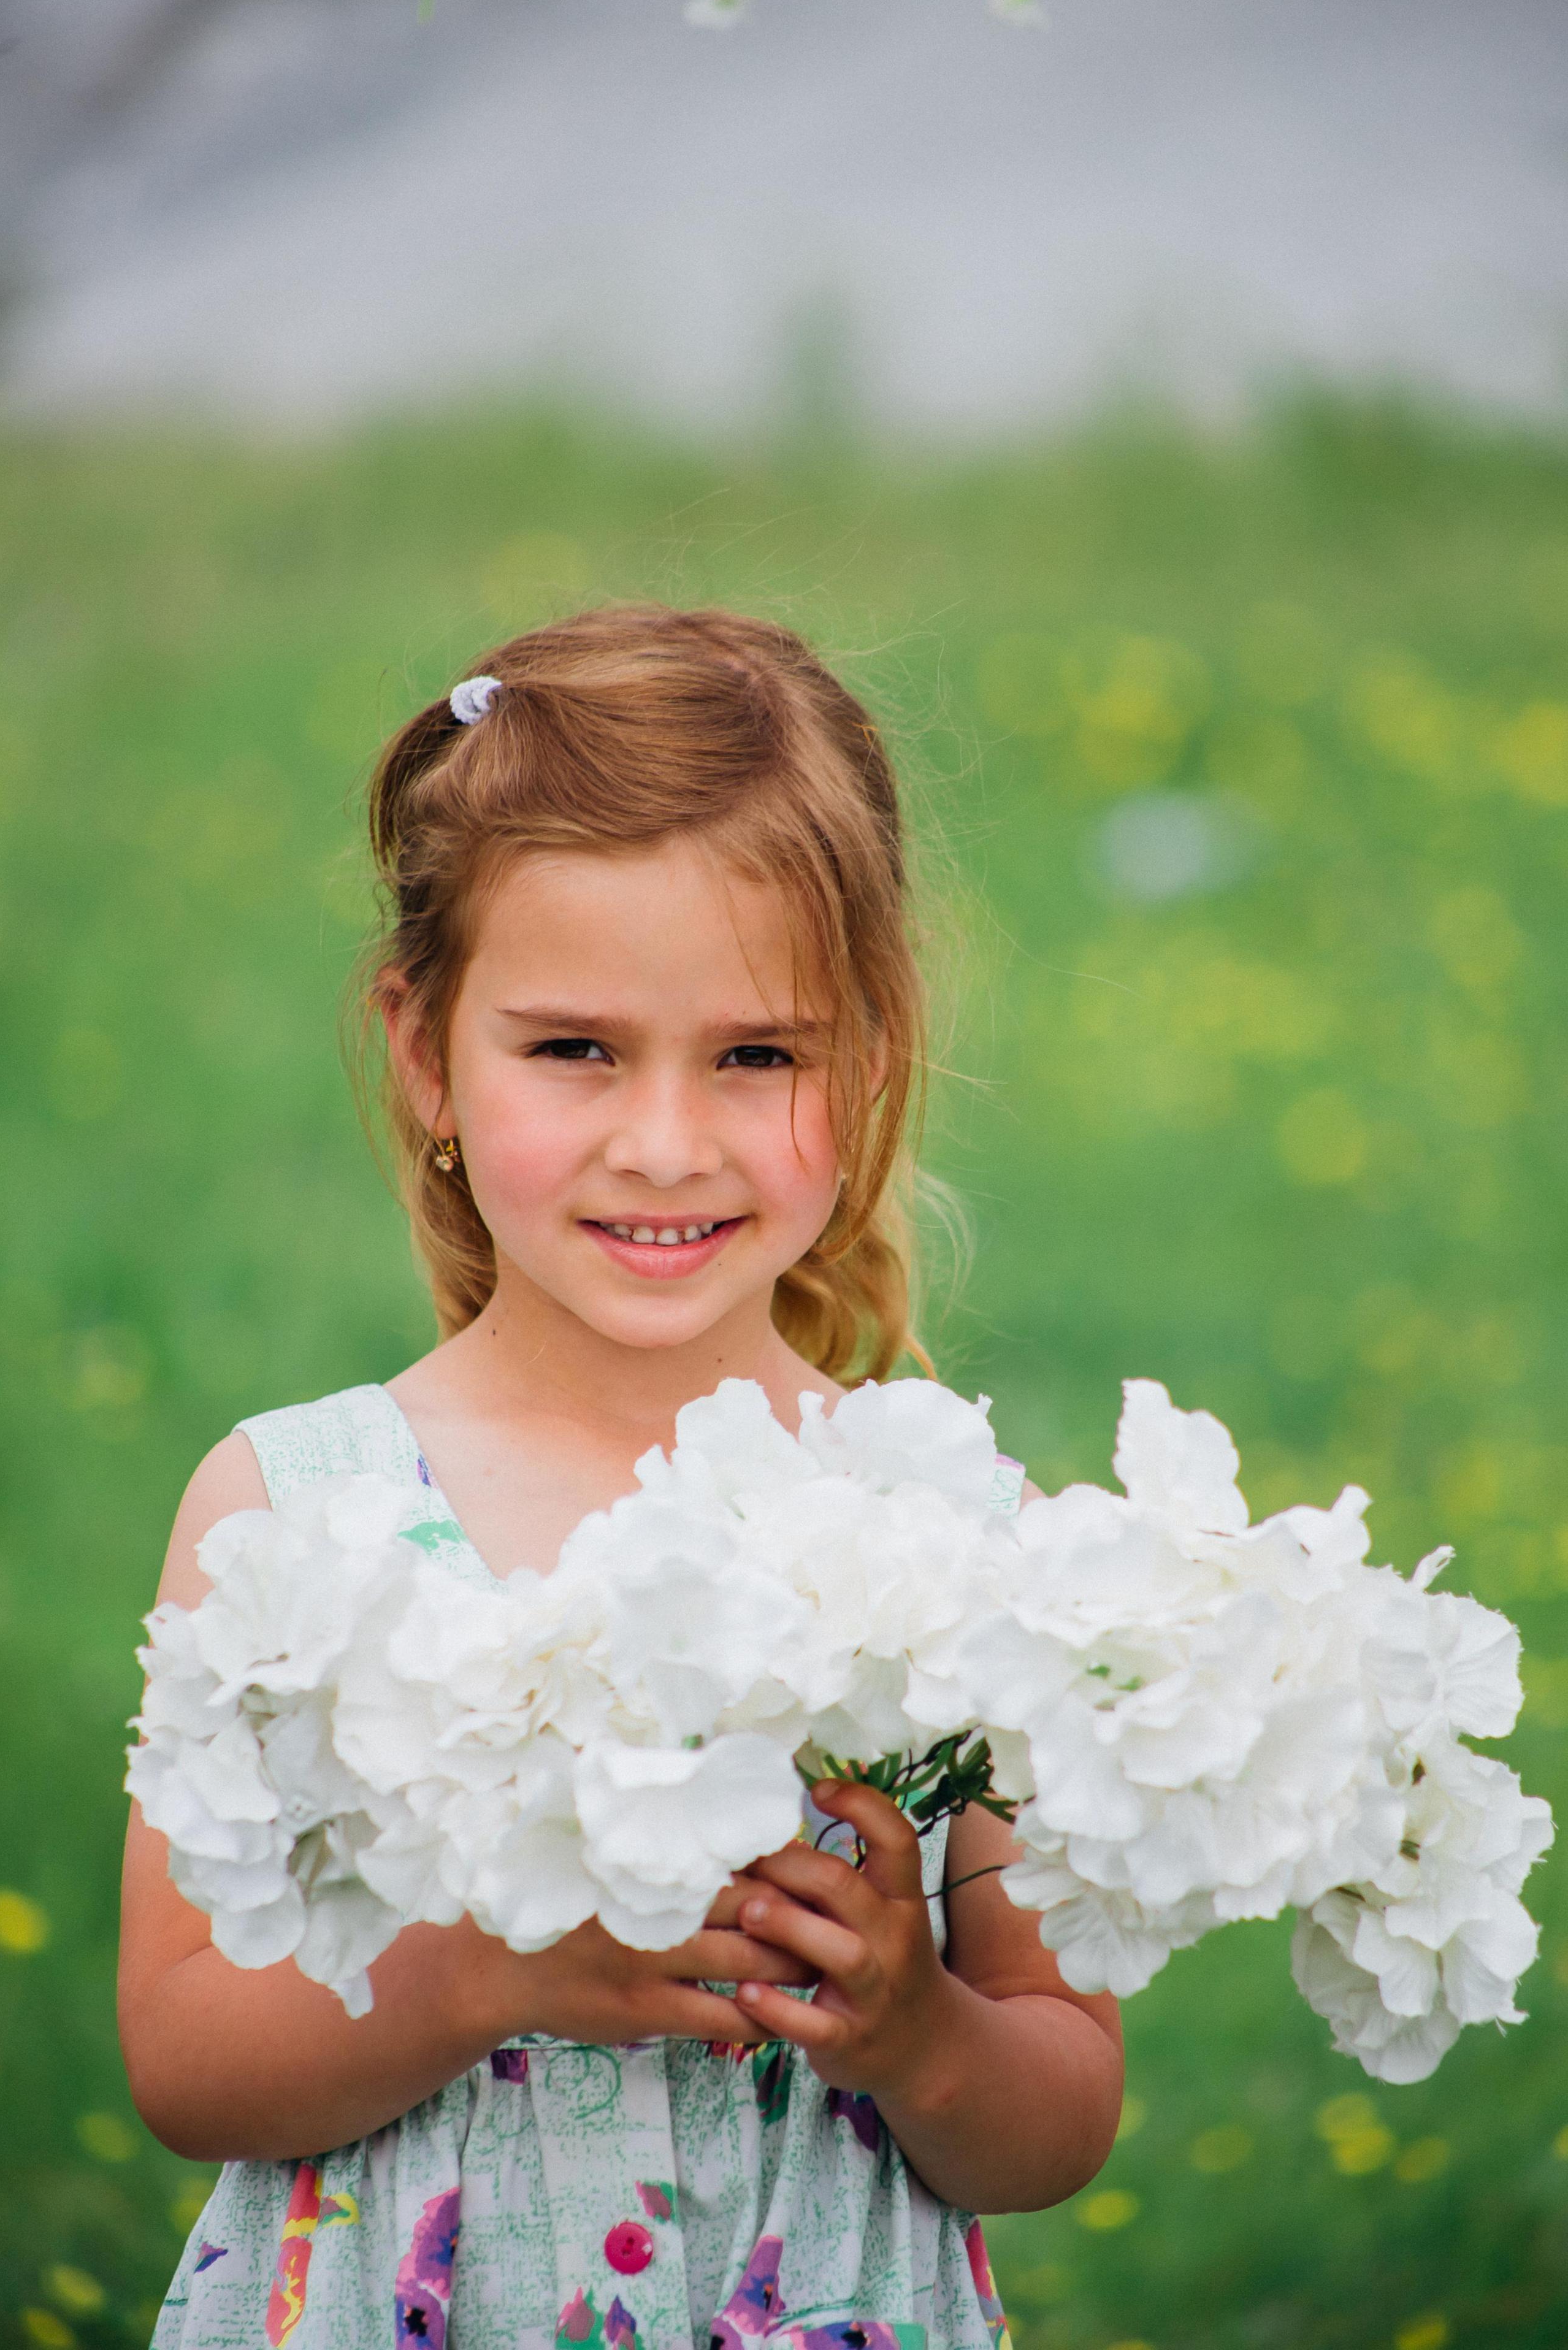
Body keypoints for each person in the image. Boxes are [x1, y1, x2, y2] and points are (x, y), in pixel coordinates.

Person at [120, 604, 1123, 2350]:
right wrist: (471, 1976)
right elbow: (185, 2058)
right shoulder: (297, 1512)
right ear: (427, 1048)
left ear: (872, 1049)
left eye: (758, 1054)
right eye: (574, 1047)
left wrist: (918, 2036)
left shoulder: (952, 1539)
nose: (665, 1141)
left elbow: (1063, 2101)